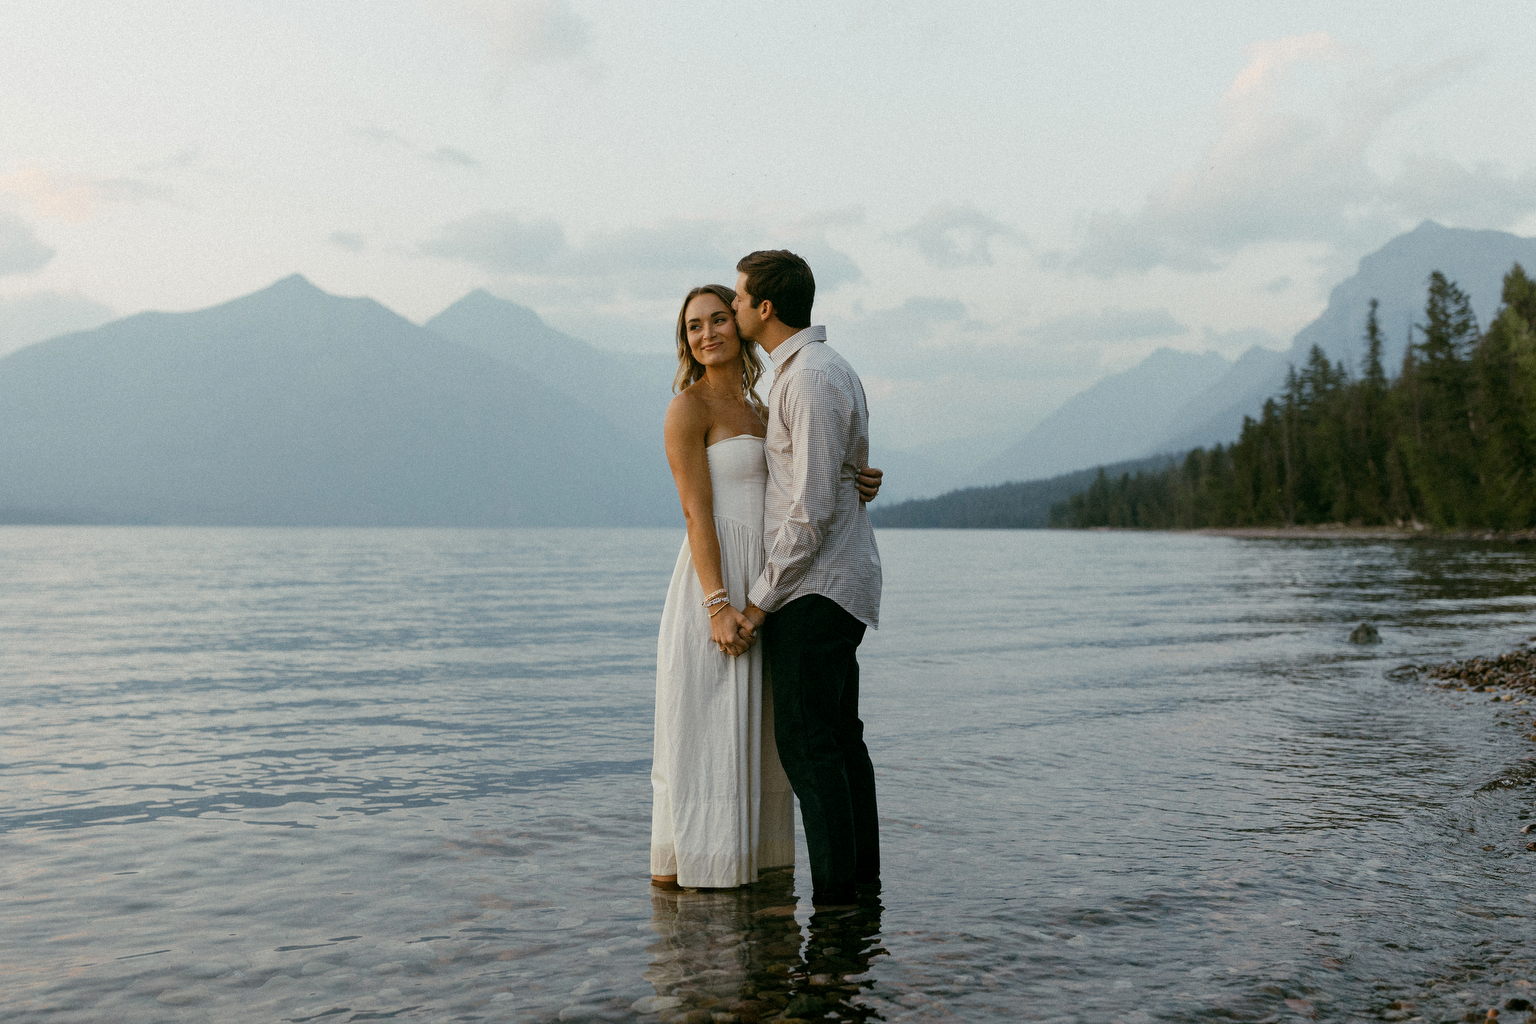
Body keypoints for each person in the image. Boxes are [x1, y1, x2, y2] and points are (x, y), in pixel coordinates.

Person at [650, 284, 883, 891]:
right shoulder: (688, 408)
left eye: (719, 319)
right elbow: (697, 514)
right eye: (694, 326)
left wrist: (856, 477)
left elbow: (804, 475)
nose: (708, 334)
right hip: (720, 584)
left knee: (766, 737)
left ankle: (760, 874)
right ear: (686, 340)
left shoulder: (766, 399)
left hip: (773, 584)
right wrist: (719, 605)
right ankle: (707, 874)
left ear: (745, 320)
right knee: (708, 730)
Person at [731, 250, 884, 910]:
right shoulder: (805, 373)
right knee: (839, 741)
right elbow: (841, 476)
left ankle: (835, 904)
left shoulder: (811, 378)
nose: (733, 306)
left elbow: (813, 506)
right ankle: (858, 894)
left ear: (766, 307)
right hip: (828, 582)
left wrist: (761, 600)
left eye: (738, 297)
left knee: (808, 744)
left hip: (815, 588)